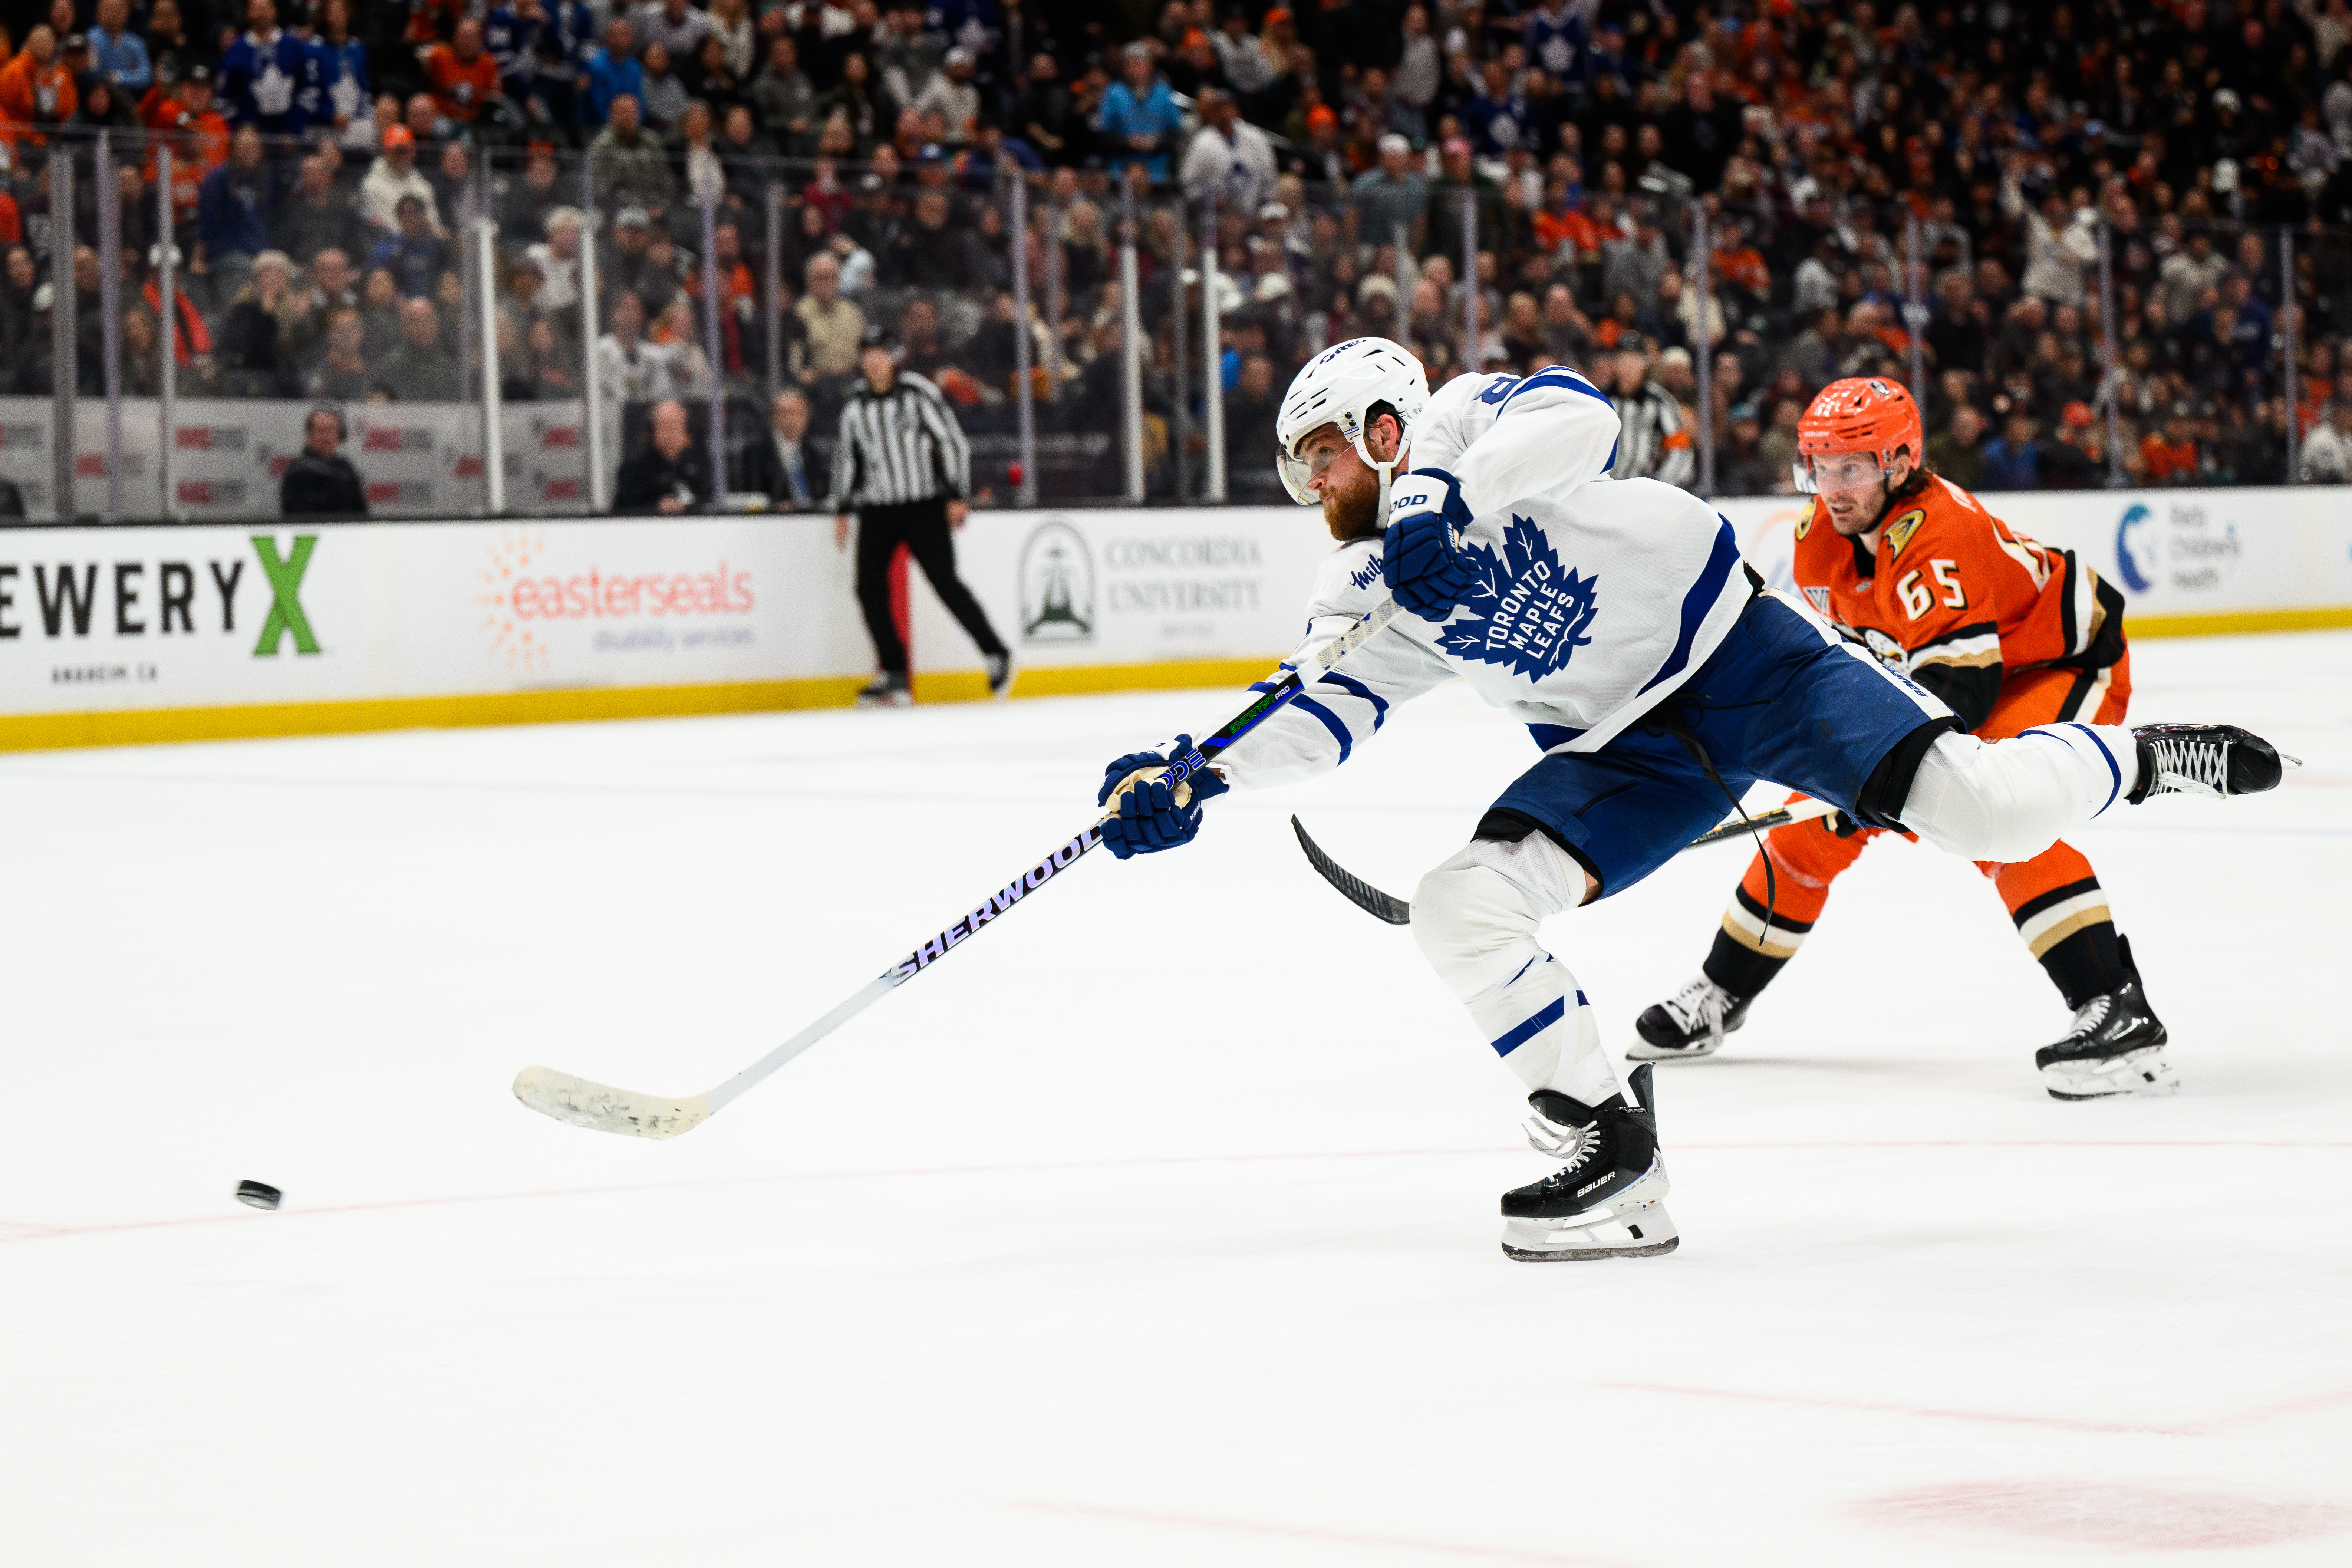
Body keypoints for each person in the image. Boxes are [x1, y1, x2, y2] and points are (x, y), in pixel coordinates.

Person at [1089, 340, 2288, 1262]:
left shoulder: (1461, 419)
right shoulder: (1361, 585)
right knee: (1462, 904)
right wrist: (1197, 772)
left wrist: (1435, 494)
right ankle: (1612, 1147)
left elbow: (1581, 417)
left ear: (1381, 425)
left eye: (1322, 455)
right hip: (1626, 750)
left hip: (1745, 654)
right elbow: (1324, 702)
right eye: (1301, 468)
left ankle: (2143, 757)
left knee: (1984, 814)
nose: (1312, 485)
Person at [1628, 376, 2181, 1098]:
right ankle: (1721, 989)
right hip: (1962, 677)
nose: (1831, 488)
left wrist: (1875, 780)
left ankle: (2117, 1007)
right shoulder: (1818, 536)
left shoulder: (1939, 536)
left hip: (2057, 664)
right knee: (1803, 836)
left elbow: (1961, 696)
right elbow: (1842, 668)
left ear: (1898, 462)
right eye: (1819, 466)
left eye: (1850, 467)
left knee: (2001, 814)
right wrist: (1841, 772)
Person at [830, 323, 1011, 706]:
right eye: (869, 355)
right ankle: (895, 671)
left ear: (893, 357)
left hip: (923, 505)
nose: (875, 362)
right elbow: (848, 457)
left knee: (945, 583)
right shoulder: (856, 404)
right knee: (868, 589)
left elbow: (951, 442)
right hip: (878, 507)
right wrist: (843, 507)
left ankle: (996, 651)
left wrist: (957, 494)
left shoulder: (917, 393)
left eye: (882, 354)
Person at [612, 397, 712, 513]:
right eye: (665, 425)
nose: (671, 433)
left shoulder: (699, 466)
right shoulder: (634, 470)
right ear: (653, 431)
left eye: (676, 425)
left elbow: (709, 501)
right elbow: (621, 512)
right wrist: (656, 508)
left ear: (686, 431)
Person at [740, 386, 826, 507]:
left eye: (798, 413)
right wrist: (776, 506)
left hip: (810, 516)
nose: (791, 419)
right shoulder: (756, 453)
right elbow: (754, 495)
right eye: (785, 413)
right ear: (774, 416)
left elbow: (821, 492)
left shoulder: (812, 453)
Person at [280, 404, 369, 517]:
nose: (328, 436)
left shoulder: (345, 468)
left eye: (332, 430)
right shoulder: (297, 472)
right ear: (309, 435)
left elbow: (361, 512)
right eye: (322, 430)